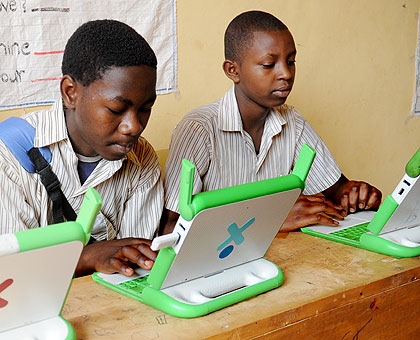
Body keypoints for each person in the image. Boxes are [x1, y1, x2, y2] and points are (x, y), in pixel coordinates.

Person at [161, 10, 382, 234]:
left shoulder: (293, 121)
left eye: (291, 61)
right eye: (268, 65)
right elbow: (170, 229)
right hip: (220, 264)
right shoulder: (198, 129)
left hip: (283, 257)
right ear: (233, 70)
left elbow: (336, 189)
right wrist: (269, 219)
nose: (286, 73)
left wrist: (355, 194)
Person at [0, 19, 163, 277]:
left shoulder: (141, 158)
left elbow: (133, 260)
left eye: (145, 109)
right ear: (70, 92)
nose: (134, 126)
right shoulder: (8, 155)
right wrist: (87, 257)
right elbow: (10, 271)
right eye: (116, 109)